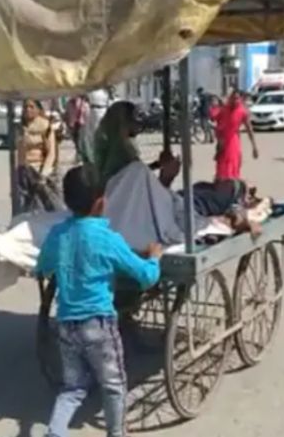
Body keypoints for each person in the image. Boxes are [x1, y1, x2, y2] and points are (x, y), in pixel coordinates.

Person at [37, 165, 162, 437]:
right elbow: (145, 277)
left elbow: (43, 266)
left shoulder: (58, 234)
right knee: (114, 385)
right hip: (99, 325)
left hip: (67, 324)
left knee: (72, 388)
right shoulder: (107, 238)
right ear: (101, 202)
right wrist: (154, 257)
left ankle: (55, 433)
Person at [16, 99, 62, 213]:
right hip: (24, 170)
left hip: (40, 171)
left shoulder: (45, 126)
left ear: (38, 109)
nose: (28, 110)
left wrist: (44, 174)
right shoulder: (20, 127)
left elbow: (51, 153)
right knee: (24, 207)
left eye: (31, 107)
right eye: (25, 107)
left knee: (47, 207)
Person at [211, 89, 259, 182]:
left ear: (240, 99)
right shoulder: (224, 109)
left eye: (237, 98)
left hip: (233, 142)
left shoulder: (242, 111)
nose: (235, 100)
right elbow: (214, 119)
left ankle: (232, 187)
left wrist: (254, 147)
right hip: (222, 143)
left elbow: (249, 129)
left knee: (233, 166)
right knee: (221, 169)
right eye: (233, 98)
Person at [80, 89, 110, 164]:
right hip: (93, 110)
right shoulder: (91, 89)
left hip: (102, 109)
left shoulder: (104, 91)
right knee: (90, 134)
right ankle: (91, 156)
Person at [65, 95, 89, 163]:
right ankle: (79, 154)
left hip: (81, 124)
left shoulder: (83, 102)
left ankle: (81, 155)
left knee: (81, 140)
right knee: (75, 140)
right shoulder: (69, 103)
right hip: (73, 125)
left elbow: (86, 113)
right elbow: (67, 114)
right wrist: (68, 124)